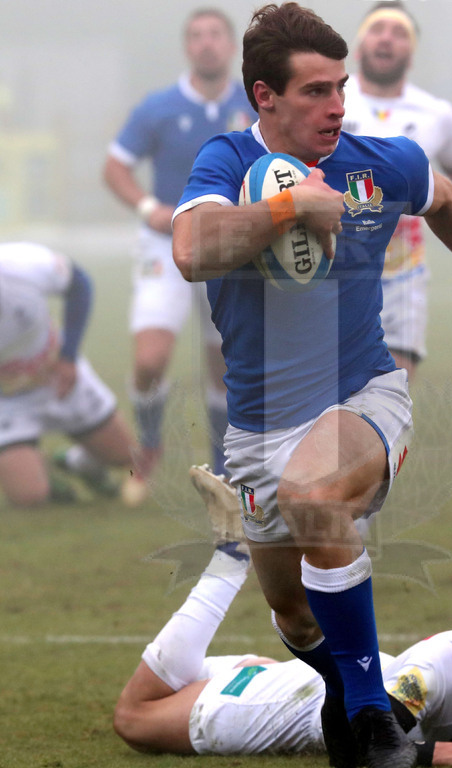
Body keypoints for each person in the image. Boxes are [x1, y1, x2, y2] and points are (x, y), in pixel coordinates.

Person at [171, 2, 452, 768]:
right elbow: (193, 250)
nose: (337, 106)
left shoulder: (377, 162)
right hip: (257, 430)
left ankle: (371, 711)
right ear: (265, 97)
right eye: (314, 92)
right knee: (292, 611)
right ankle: (345, 689)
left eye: (340, 87)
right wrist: (289, 207)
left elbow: (444, 200)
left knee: (317, 492)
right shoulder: (227, 162)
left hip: (366, 395)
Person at [114, 496, 452, 766]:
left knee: (177, 684)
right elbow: (364, 740)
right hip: (296, 710)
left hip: (315, 679)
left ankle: (238, 556)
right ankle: (231, 552)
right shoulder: (441, 670)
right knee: (134, 717)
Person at [103, 8, 256, 505]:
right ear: (187, 47)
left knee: (223, 365)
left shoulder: (252, 104)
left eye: (215, 35)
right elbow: (115, 167)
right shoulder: (159, 107)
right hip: (164, 245)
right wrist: (148, 206)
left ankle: (223, 471)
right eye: (197, 36)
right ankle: (147, 447)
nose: (206, 43)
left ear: (230, 45)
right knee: (150, 358)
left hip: (226, 246)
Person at [343, 1, 452, 378]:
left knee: (391, 393)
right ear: (359, 46)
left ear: (411, 54)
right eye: (378, 30)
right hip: (333, 267)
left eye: (400, 33)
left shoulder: (436, 114)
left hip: (401, 276)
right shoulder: (331, 100)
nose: (387, 39)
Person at [0, 242, 136, 507]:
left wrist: (68, 357)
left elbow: (78, 283)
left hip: (58, 374)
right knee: (30, 497)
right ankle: (44, 480)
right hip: (7, 400)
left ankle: (75, 462)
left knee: (128, 458)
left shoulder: (21, 264)